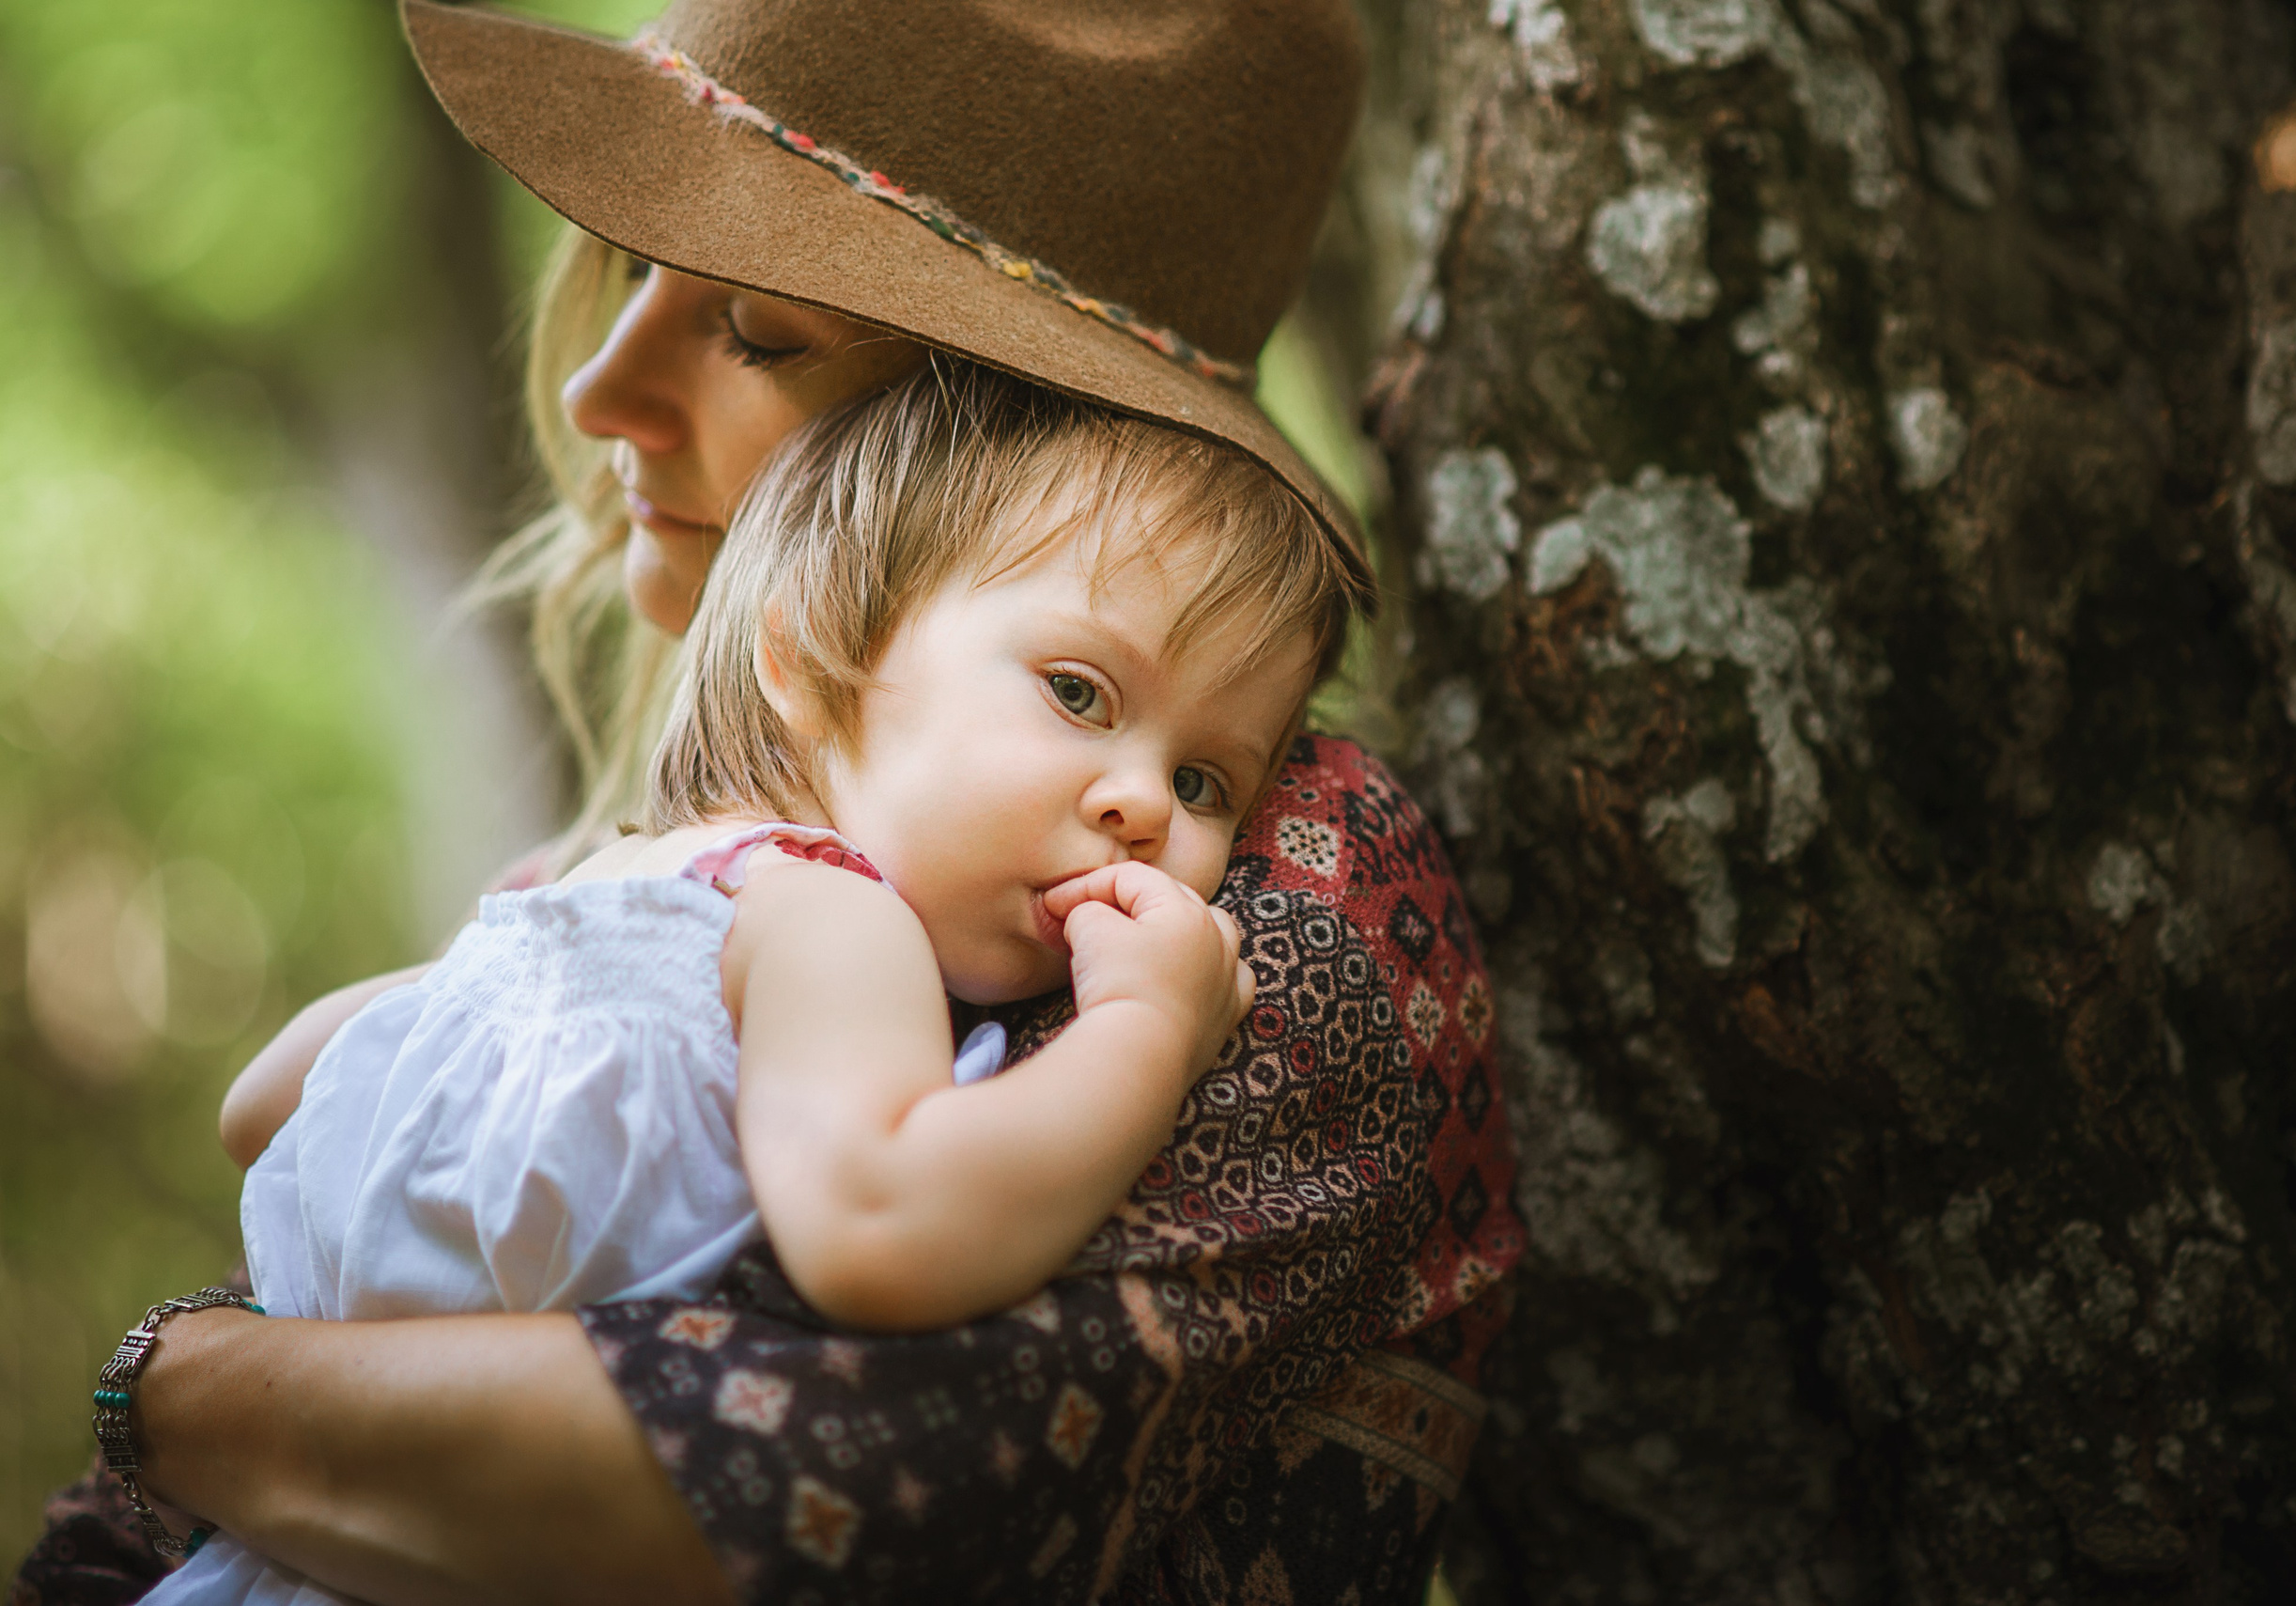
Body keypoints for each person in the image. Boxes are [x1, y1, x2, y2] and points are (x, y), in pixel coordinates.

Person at [12, 2, 1523, 1601]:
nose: (599, 387)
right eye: (629, 275)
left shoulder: (1274, 898)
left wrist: (177, 1383)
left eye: (760, 329)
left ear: (1000, 435)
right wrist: (186, 1390)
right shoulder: (615, 897)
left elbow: (786, 1487)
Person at [147, 356, 1357, 1606]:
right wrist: (1147, 1027)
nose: (1144, 803)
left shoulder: (571, 907)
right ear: (816, 652)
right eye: (1078, 691)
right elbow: (880, 1223)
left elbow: (265, 1104)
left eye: (1209, 781)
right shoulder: (831, 919)